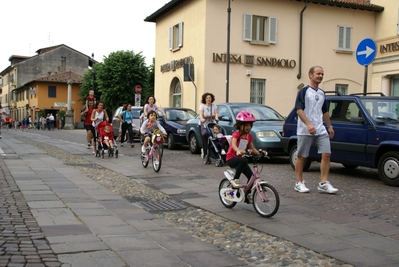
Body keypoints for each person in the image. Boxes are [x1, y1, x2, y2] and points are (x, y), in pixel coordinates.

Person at [294, 66, 338, 194]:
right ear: (310, 75)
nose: (320, 76)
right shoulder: (303, 92)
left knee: (326, 154)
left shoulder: (322, 93)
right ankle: (299, 182)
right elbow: (299, 110)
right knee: (302, 156)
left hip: (320, 128)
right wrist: (308, 124)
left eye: (322, 74)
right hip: (305, 129)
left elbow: (324, 111)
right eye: (318, 73)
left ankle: (323, 183)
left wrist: (329, 126)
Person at [225, 111, 265, 203]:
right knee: (244, 160)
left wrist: (261, 153)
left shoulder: (249, 136)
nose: (248, 127)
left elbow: (253, 149)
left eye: (249, 125)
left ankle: (246, 195)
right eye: (246, 125)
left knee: (252, 177)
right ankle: (235, 180)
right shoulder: (236, 134)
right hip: (231, 159)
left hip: (241, 161)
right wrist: (238, 150)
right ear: (240, 125)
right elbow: (233, 145)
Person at [198, 93, 219, 158]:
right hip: (203, 124)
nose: (208, 99)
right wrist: (202, 118)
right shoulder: (202, 106)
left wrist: (216, 118)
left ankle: (212, 152)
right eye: (207, 98)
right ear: (205, 99)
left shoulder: (214, 106)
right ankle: (205, 153)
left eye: (210, 98)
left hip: (211, 124)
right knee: (205, 136)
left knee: (213, 137)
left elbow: (216, 113)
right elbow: (201, 114)